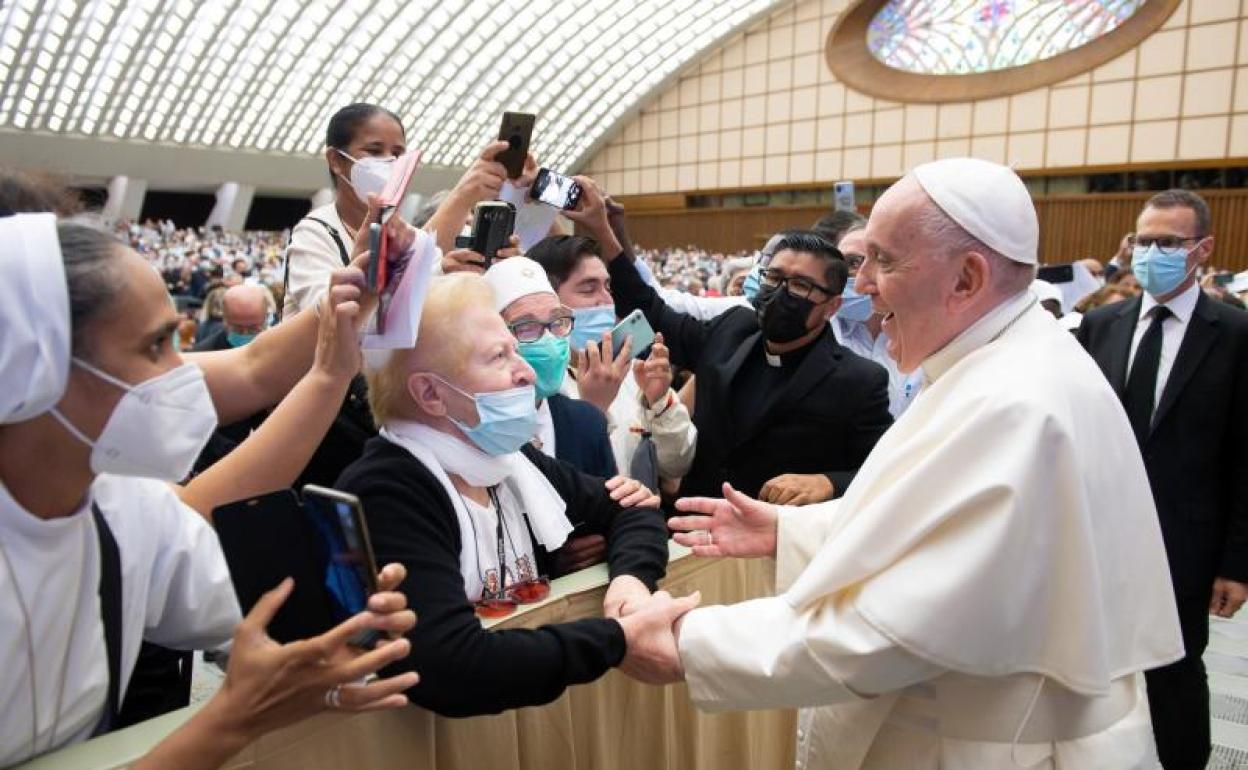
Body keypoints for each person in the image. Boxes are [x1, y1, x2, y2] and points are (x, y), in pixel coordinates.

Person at [620, 158, 1184, 769]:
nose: (861, 285)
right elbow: (926, 522)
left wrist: (689, 644)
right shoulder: (996, 364)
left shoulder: (1015, 405)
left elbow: (894, 627)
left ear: (966, 278)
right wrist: (790, 529)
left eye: (883, 261)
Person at [0, 213, 418, 769]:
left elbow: (250, 617)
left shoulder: (124, 512)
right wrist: (232, 721)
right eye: (156, 346)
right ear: (35, 369)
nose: (184, 374)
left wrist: (340, 634)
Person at [336, 273, 670, 717]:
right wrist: (617, 639)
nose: (526, 371)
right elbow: (451, 666)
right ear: (431, 393)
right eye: (499, 357)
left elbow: (634, 511)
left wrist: (629, 583)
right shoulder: (387, 492)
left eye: (515, 350)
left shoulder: (510, 458)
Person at [573, 182, 891, 505]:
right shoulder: (732, 329)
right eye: (774, 278)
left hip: (770, 531)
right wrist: (603, 232)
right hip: (691, 520)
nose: (780, 293)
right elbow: (650, 309)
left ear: (831, 306)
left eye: (799, 285)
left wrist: (829, 482)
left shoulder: (860, 381)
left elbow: (885, 472)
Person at [1077, 188, 1248, 769]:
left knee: (1174, 673)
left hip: (1185, 541)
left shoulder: (1235, 335)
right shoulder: (1100, 325)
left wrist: (1236, 563)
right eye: (1143, 241)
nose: (1152, 253)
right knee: (1091, 669)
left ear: (1203, 249)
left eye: (1168, 243)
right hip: (1099, 535)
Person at [527, 235, 698, 487]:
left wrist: (659, 403)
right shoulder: (536, 384)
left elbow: (676, 465)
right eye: (589, 289)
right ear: (548, 301)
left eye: (608, 287)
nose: (606, 300)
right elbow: (551, 488)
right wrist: (593, 410)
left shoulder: (632, 371)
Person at [482, 256, 616, 478]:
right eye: (526, 326)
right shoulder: (477, 430)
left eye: (557, 322)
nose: (549, 339)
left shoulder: (587, 423)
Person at [282, 103, 408, 318]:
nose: (390, 162)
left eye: (397, 153)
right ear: (336, 160)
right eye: (374, 151)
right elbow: (328, 316)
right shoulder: (315, 233)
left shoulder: (404, 233)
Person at [831, 225, 922, 417]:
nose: (858, 277)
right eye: (840, 265)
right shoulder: (817, 331)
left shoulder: (926, 337)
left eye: (855, 262)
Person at [192, 284, 270, 352]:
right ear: (224, 319)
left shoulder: (275, 351)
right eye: (237, 329)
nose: (245, 335)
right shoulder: (203, 354)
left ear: (266, 318)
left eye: (253, 328)